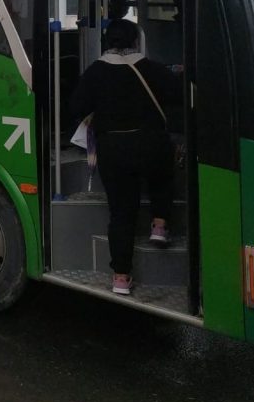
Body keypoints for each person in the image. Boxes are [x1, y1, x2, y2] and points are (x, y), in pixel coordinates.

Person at [69, 19, 178, 296]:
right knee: (162, 176)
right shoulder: (151, 69)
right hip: (151, 141)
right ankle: (160, 225)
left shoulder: (95, 72)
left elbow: (77, 106)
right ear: (135, 42)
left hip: (113, 148)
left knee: (121, 213)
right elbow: (177, 95)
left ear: (107, 43)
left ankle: (120, 276)